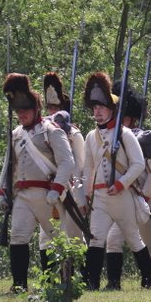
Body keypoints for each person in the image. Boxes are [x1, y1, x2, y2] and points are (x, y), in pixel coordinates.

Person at [0, 73, 75, 292]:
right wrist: (3, 190)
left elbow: (67, 163)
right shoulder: (15, 134)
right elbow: (8, 166)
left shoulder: (52, 132)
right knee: (18, 238)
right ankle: (19, 285)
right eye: (18, 111)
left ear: (36, 110)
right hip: (22, 195)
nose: (21, 114)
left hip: (47, 195)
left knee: (56, 241)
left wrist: (57, 189)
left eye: (25, 110)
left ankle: (61, 283)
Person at [81, 72, 151, 290]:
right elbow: (88, 169)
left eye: (101, 107)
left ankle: (149, 280)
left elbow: (138, 164)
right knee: (96, 239)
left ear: (111, 109)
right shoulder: (91, 137)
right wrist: (86, 195)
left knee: (133, 239)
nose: (98, 112)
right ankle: (91, 282)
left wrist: (122, 183)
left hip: (121, 196)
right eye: (95, 108)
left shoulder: (124, 134)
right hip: (101, 197)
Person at [104, 86, 151, 289]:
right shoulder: (111, 139)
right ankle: (113, 282)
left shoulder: (144, 139)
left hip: (140, 199)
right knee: (113, 239)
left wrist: (146, 195)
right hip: (123, 198)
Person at [38, 72, 88, 271]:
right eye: (49, 107)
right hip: (49, 190)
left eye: (55, 107)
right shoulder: (41, 133)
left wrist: (79, 196)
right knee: (45, 237)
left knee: (75, 236)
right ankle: (49, 278)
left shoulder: (73, 134)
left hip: (70, 191)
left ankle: (82, 278)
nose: (51, 111)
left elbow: (79, 166)